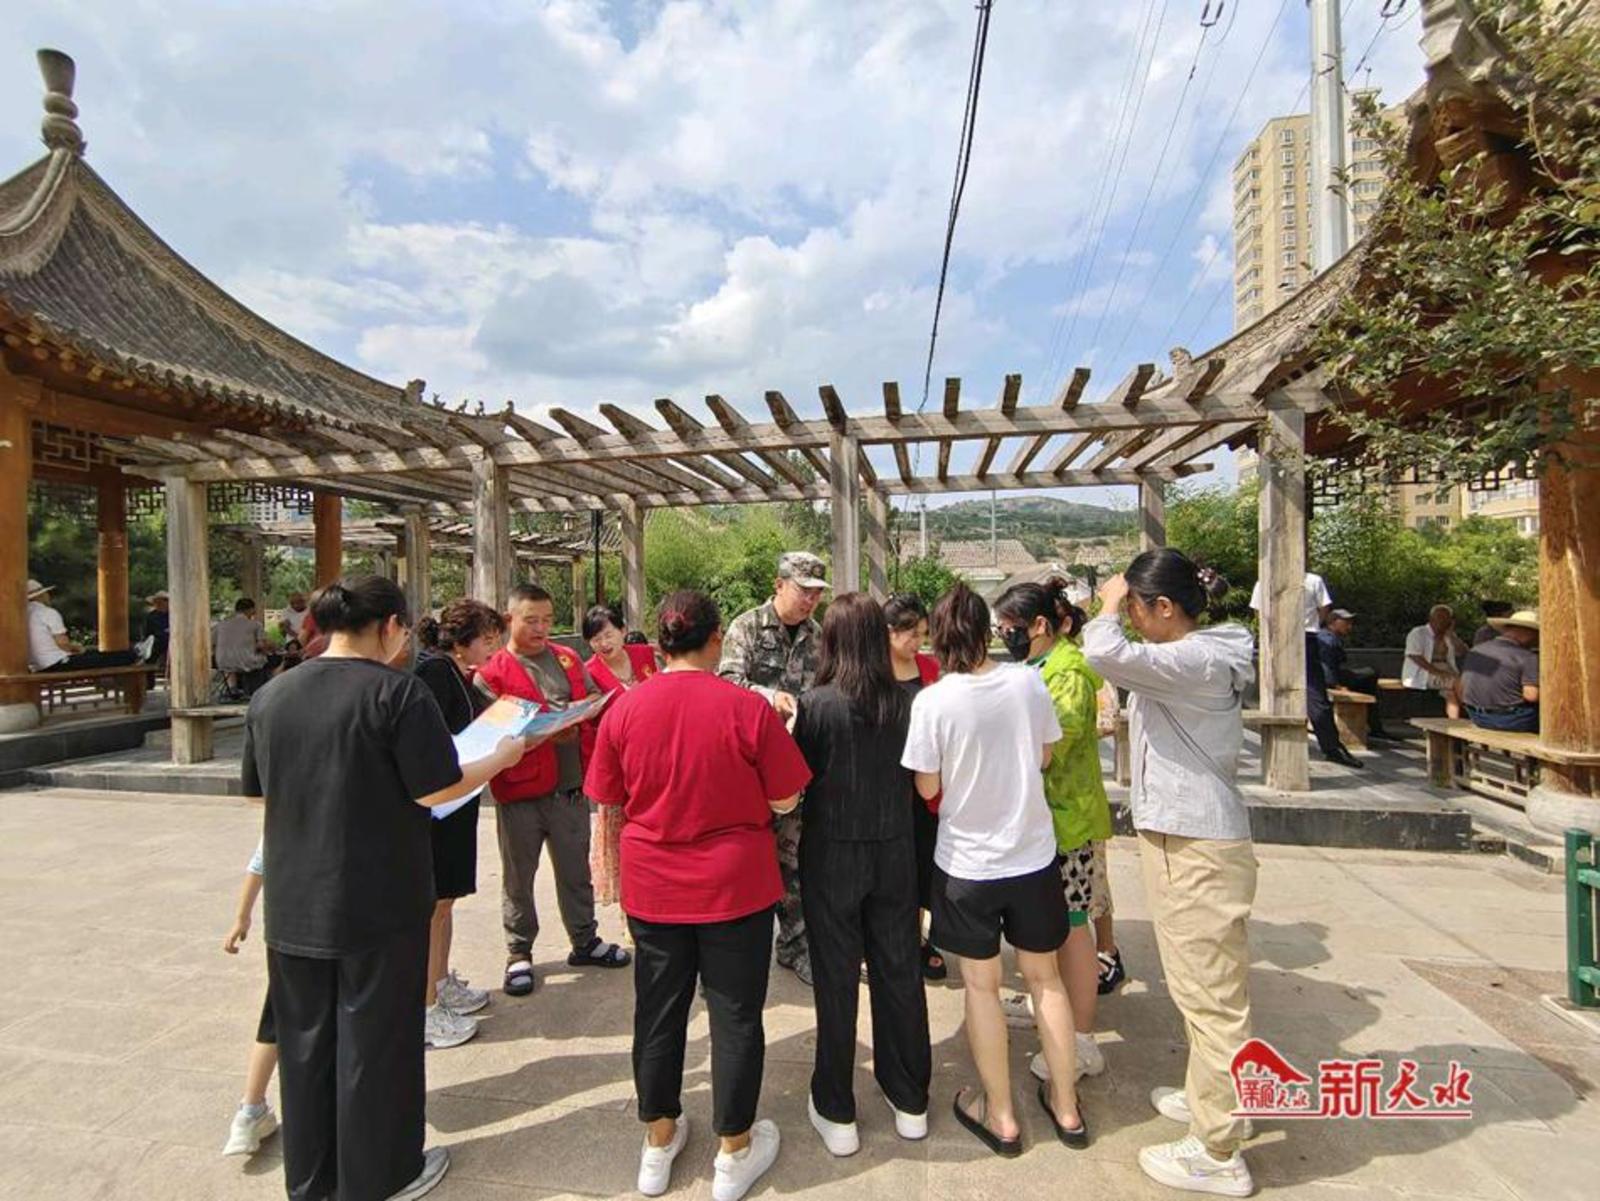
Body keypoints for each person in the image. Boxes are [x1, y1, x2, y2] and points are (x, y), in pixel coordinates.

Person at [243, 575, 529, 1201]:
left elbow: (260, 794)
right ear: (392, 626)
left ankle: (311, 1180)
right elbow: (437, 788)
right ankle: (383, 1175)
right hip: (377, 899)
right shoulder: (397, 694)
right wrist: (502, 758)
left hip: (293, 904)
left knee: (306, 1047)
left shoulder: (272, 696)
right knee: (377, 1044)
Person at [584, 590, 812, 1201]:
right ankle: (733, 1150)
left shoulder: (626, 709)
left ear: (660, 643)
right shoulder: (746, 708)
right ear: (715, 640)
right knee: (735, 1015)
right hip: (734, 885)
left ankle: (658, 1141)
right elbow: (786, 796)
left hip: (654, 886)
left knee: (658, 1011)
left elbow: (608, 794)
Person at [1084, 550, 1258, 1197]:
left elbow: (1102, 652)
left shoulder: (1194, 658)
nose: (1127, 617)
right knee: (1198, 984)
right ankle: (1214, 1097)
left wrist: (1106, 603)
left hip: (1196, 845)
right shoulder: (1199, 654)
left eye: (1135, 606)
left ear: (1163, 606)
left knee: (1211, 997)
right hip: (1191, 837)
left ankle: (1218, 1149)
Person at [901, 584, 1086, 1157]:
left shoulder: (932, 701)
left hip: (967, 866)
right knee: (1045, 980)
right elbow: (1045, 754)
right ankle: (1066, 1107)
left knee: (982, 988)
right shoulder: (1027, 681)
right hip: (1031, 856)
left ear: (936, 637)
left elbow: (926, 787)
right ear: (988, 632)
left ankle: (1000, 1115)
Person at [791, 593, 932, 1157]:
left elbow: (796, 782)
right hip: (895, 851)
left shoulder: (816, 705)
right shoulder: (910, 702)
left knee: (836, 979)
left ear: (832, 640)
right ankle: (910, 1099)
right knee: (900, 972)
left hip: (831, 855)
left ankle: (837, 1109)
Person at [476, 583, 630, 998]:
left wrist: (582, 709)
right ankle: (518, 951)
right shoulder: (491, 673)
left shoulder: (567, 658)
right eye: (531, 620)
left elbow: (594, 694)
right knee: (519, 876)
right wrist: (544, 732)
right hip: (519, 792)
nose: (541, 628)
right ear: (509, 619)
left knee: (575, 871)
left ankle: (585, 940)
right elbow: (489, 734)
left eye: (547, 620)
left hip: (569, 788)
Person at [993, 580, 1112, 1088]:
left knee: (1073, 926)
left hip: (1068, 822)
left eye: (1010, 628)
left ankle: (1082, 1039)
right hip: (1042, 820)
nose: (1004, 636)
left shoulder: (1068, 674)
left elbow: (1048, 748)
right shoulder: (1036, 666)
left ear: (1040, 625)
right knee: (1048, 925)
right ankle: (1047, 1002)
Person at [718, 551, 828, 986]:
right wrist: (767, 697)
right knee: (741, 860)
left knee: (794, 858)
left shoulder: (819, 635)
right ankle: (728, 957)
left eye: (817, 594)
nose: (811, 601)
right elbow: (727, 683)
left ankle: (795, 945)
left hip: (799, 766)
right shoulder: (746, 627)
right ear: (779, 584)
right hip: (749, 768)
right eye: (804, 591)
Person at [413, 599, 508, 1049]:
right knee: (434, 906)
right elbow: (434, 742)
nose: (493, 649)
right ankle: (425, 1005)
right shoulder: (434, 673)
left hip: (458, 800)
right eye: (487, 640)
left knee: (446, 901)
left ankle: (440, 981)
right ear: (461, 640)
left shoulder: (455, 672)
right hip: (441, 805)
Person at [883, 592, 945, 981]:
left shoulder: (929, 668)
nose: (918, 642)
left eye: (923, 634)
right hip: (884, 784)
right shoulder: (872, 670)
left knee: (921, 863)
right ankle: (885, 939)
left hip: (924, 785)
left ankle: (917, 937)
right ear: (889, 632)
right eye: (911, 634)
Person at [1249, 569, 1360, 768]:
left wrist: (1308, 624)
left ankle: (1331, 747)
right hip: (1283, 637)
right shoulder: (1267, 580)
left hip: (1300, 637)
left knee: (1315, 696)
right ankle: (1319, 747)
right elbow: (1260, 612)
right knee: (1287, 694)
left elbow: (1323, 608)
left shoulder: (1311, 580)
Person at [220, 836, 280, 1158]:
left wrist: (242, 917)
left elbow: (260, 860)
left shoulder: (284, 812)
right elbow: (261, 859)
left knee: (276, 1020)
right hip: (324, 935)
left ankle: (251, 1109)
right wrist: (241, 917)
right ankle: (250, 1111)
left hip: (289, 932)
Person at [25, 579, 149, 672]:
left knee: (93, 655)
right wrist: (76, 648)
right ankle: (136, 653)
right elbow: (62, 644)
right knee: (101, 658)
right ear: (41, 595)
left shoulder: (24, 615)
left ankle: (135, 652)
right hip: (56, 663)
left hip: (38, 666)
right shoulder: (47, 613)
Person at [1316, 609, 1399, 741]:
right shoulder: (1328, 640)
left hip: (1332, 676)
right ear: (1333, 622)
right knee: (1370, 674)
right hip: (1328, 680)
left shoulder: (1327, 636)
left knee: (1369, 676)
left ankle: (1374, 725)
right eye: (1346, 622)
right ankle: (1375, 727)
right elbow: (1327, 667)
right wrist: (1337, 686)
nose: (1349, 626)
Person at [1457, 609, 1540, 733]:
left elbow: (1462, 687)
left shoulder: (1477, 650)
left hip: (1476, 716)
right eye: (1537, 633)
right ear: (1528, 632)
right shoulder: (1528, 657)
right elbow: (1531, 695)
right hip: (1512, 719)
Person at [1403, 604, 1468, 719]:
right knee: (1456, 682)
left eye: (1447, 618)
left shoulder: (1448, 636)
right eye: (1440, 617)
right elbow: (1415, 656)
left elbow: (1463, 651)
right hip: (1424, 672)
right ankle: (1473, 712)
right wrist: (1437, 672)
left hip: (1446, 671)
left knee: (1451, 694)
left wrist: (1452, 636)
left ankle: (1454, 723)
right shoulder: (1418, 633)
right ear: (1431, 618)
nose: (1443, 621)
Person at [583, 602, 660, 695]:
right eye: (596, 640)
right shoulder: (588, 673)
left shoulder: (645, 653)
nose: (604, 644)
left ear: (623, 631)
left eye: (608, 636)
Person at [215, 598, 283, 699]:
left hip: (222, 662)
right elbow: (262, 645)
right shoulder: (255, 625)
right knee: (275, 659)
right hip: (247, 662)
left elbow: (213, 643)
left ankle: (233, 688)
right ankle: (271, 689)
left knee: (231, 662)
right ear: (251, 610)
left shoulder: (221, 625)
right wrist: (274, 648)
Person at [142, 591, 171, 667]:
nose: (159, 604)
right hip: (157, 640)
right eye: (157, 602)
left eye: (162, 602)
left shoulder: (173, 614)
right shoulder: (151, 616)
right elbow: (148, 633)